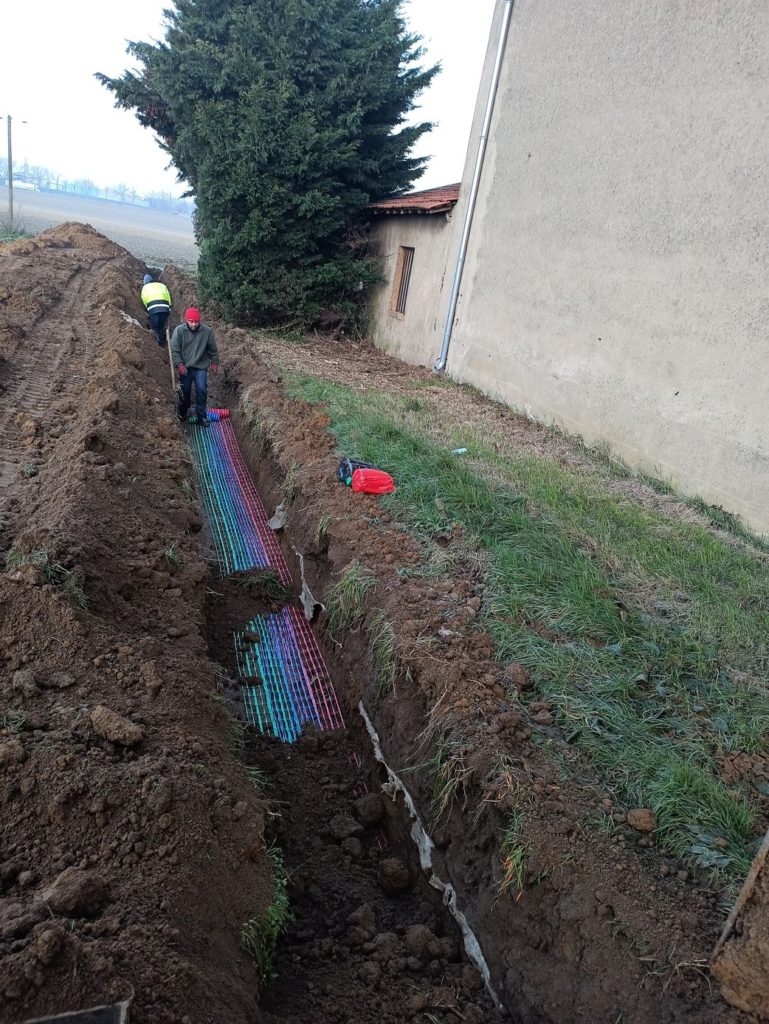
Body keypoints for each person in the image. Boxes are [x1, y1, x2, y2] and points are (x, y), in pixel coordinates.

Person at [170, 308, 220, 427]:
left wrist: (214, 362)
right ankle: (182, 412)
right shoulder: (179, 331)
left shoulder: (207, 332)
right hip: (185, 367)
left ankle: (201, 417)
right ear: (186, 320)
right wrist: (179, 364)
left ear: (199, 321)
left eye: (196, 322)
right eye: (191, 321)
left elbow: (213, 349)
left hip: (200, 367)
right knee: (185, 391)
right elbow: (174, 350)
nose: (193, 324)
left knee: (201, 390)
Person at [140, 274, 172, 346]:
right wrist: (169, 308)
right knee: (161, 325)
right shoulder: (162, 285)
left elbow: (144, 300)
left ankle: (160, 341)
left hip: (153, 309)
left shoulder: (145, 288)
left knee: (155, 326)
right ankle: (162, 338)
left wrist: (147, 309)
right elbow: (169, 297)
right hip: (165, 308)